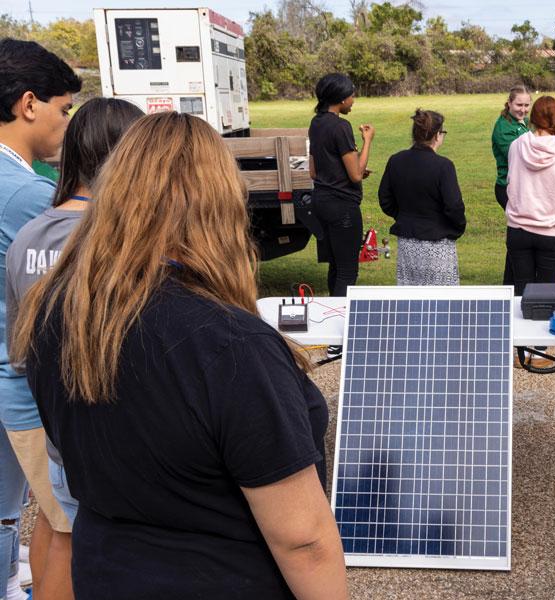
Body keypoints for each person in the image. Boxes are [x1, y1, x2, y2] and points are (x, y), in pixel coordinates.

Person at [10, 112, 348, 600]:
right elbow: (303, 541)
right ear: (220, 203)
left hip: (106, 569)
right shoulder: (232, 346)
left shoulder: (56, 312)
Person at [4, 96, 143, 599]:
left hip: (44, 415)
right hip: (99, 427)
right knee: (80, 535)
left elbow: (21, 348)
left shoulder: (30, 234)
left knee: (56, 523)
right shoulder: (108, 237)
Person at [0, 38, 81, 600]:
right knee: (66, 526)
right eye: (64, 109)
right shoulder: (28, 195)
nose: (67, 124)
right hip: (27, 388)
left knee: (44, 521)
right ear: (30, 104)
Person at [505, 95, 555, 370]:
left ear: (532, 117)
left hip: (519, 227)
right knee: (547, 290)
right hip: (552, 230)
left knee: (521, 289)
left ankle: (518, 349)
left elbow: (511, 180)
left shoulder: (516, 146)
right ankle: (540, 352)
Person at [308, 73, 373, 358]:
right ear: (341, 98)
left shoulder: (316, 123)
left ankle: (330, 332)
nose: (353, 100)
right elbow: (356, 174)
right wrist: (367, 140)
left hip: (321, 201)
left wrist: (344, 173)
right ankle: (339, 339)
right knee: (348, 270)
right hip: (343, 207)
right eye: (352, 95)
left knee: (334, 267)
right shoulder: (341, 127)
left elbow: (314, 170)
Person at [378, 109, 465, 285]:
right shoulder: (443, 166)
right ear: (437, 135)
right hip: (437, 244)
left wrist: (404, 216)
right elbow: (454, 206)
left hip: (407, 243)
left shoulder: (396, 160)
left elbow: (385, 199)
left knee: (411, 300)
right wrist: (456, 227)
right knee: (441, 302)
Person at [492, 85, 531, 287]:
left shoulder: (525, 121)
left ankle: (510, 282)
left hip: (523, 187)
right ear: (509, 103)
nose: (523, 109)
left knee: (519, 238)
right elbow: (521, 157)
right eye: (518, 105)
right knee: (520, 236)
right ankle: (516, 283)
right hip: (507, 189)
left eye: (526, 105)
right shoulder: (503, 129)